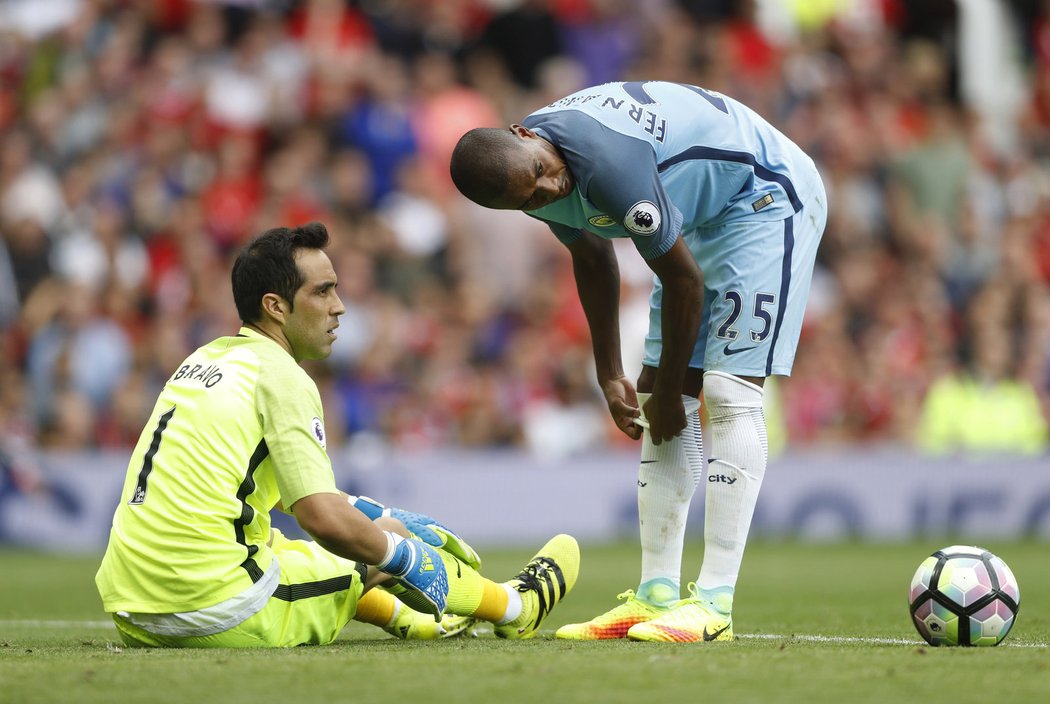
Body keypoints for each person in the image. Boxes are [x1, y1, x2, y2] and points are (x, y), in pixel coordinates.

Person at [451, 81, 827, 642]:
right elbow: (592, 253)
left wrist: (677, 388)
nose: (550, 189)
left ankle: (715, 605)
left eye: (542, 175)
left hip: (764, 195)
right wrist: (610, 372)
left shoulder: (606, 163)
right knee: (656, 394)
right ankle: (655, 597)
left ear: (525, 134)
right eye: (531, 198)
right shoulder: (518, 173)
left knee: (726, 393)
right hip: (703, 215)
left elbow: (683, 282)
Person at [94, 223, 579, 647]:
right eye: (322, 292)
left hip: (131, 606)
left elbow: (262, 486)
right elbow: (323, 519)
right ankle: (514, 609)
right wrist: (403, 553)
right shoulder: (283, 378)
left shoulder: (204, 358)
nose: (340, 308)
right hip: (210, 608)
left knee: (294, 546)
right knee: (377, 546)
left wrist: (378, 511)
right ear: (275, 307)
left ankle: (411, 620)